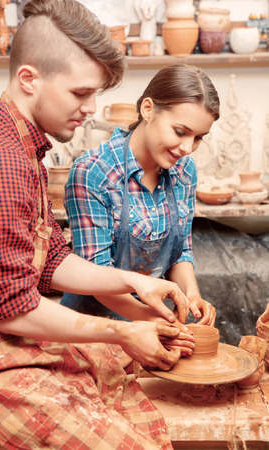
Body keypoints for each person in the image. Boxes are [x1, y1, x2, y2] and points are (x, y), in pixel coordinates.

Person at [0, 1, 197, 448]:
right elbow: (14, 311)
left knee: (119, 376)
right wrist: (122, 328)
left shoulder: (25, 148)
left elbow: (51, 258)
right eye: (79, 94)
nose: (92, 108)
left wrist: (135, 281)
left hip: (3, 322)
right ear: (28, 79)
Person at [61, 63, 219, 326]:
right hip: (91, 327)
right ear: (148, 109)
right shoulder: (93, 173)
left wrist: (192, 296)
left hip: (155, 321)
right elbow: (97, 277)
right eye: (180, 132)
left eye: (199, 137)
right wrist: (158, 322)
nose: (187, 148)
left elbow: (180, 252)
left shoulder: (184, 170)